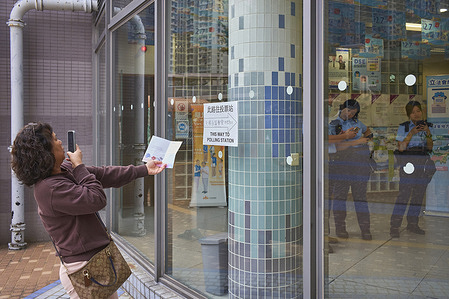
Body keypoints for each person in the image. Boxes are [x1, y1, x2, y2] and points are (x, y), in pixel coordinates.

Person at [10, 122, 167, 299]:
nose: (60, 141)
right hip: (83, 268)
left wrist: (144, 169)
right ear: (45, 153)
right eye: (55, 139)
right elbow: (96, 198)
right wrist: (79, 166)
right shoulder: (49, 189)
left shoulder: (64, 170)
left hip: (96, 262)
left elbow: (103, 174)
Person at [329, 100, 373, 240]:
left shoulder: (357, 123)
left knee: (360, 197)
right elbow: (336, 147)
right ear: (342, 109)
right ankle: (340, 229)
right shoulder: (334, 124)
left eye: (353, 112)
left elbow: (368, 131)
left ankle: (365, 230)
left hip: (359, 164)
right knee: (340, 198)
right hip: (342, 165)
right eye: (348, 110)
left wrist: (365, 140)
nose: (349, 114)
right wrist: (355, 141)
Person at [390, 101, 435, 238]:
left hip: (422, 162)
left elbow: (430, 147)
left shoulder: (428, 126)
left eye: (418, 111)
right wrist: (411, 133)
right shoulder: (403, 127)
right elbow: (401, 147)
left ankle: (413, 223)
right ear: (409, 114)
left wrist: (427, 132)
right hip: (408, 162)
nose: (416, 114)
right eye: (413, 112)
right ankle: (395, 225)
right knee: (404, 194)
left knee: (418, 195)